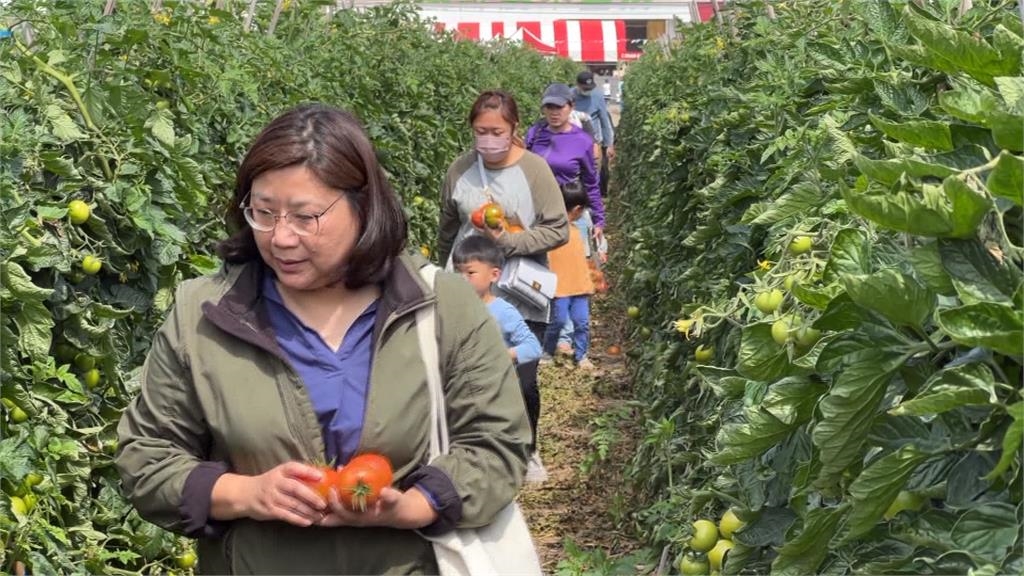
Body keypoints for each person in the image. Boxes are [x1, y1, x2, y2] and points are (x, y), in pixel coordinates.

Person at [116, 104, 533, 574]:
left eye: (305, 216)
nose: (281, 238)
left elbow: (498, 441)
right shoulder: (207, 314)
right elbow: (146, 455)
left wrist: (415, 505)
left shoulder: (439, 305)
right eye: (263, 212)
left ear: (363, 207)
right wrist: (245, 494)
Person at [437, 89, 570, 338]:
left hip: (519, 295)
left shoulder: (534, 170)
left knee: (517, 373)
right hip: (467, 296)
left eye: (497, 133)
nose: (488, 139)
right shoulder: (460, 169)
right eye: (481, 132)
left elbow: (558, 230)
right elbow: (447, 230)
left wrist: (506, 242)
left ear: (513, 128)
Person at [452, 235, 547, 482]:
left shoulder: (503, 311)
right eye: (457, 272)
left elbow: (533, 347)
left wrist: (504, 355)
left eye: (470, 273)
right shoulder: (449, 308)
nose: (461, 279)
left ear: (494, 275)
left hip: (496, 387)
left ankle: (528, 454)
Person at [542, 181, 596, 371]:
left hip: (578, 285)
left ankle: (581, 355)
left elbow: (588, 254)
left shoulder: (575, 228)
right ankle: (547, 352)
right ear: (577, 209)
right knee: (558, 321)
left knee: (580, 321)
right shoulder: (553, 229)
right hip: (561, 286)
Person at [572, 70, 616, 197]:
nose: (587, 91)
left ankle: (591, 202)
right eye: (584, 88)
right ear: (577, 85)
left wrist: (609, 144)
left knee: (593, 174)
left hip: (594, 143)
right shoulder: (570, 96)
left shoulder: (597, 95)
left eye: (589, 88)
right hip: (574, 142)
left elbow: (604, 120)